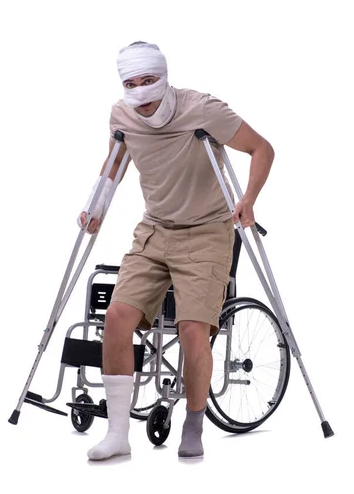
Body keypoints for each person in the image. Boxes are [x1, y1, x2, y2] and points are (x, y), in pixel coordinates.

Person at [77, 41, 274, 460]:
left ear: (164, 77)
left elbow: (262, 149)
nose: (142, 94)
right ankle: (116, 435)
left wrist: (249, 199)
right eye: (132, 84)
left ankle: (195, 422)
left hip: (207, 232)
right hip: (155, 230)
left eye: (149, 81)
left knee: (191, 329)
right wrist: (94, 206)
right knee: (116, 318)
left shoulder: (202, 109)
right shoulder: (122, 115)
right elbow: (114, 162)